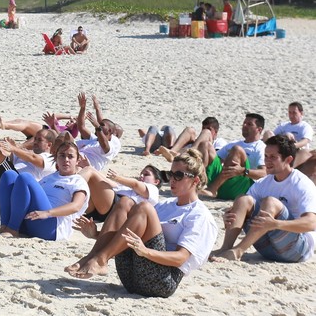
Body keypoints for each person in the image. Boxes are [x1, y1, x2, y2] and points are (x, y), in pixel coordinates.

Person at [65, 149, 218, 298]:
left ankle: (100, 259)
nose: (172, 179)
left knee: (144, 207)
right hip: (130, 276)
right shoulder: (166, 205)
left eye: (178, 175)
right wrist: (96, 235)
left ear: (195, 180)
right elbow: (129, 230)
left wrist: (145, 252)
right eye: (170, 174)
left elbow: (180, 258)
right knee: (125, 202)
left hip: (161, 281)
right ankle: (93, 257)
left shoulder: (199, 214)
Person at [211, 135, 316, 263]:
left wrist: (276, 224)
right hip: (268, 248)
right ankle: (226, 248)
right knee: (243, 199)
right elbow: (243, 208)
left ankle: (238, 251)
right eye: (266, 156)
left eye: (273, 157)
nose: (267, 161)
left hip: (297, 250)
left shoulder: (301, 183)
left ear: (288, 160)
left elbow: (311, 223)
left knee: (270, 202)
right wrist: (229, 216)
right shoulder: (263, 182)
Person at [0, 141, 89, 240]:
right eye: (62, 156)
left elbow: (76, 206)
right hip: (31, 220)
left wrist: (48, 213)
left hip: (51, 226)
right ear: (56, 159)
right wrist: (3, 195)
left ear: (77, 161)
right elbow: (27, 194)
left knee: (25, 177)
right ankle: (4, 226)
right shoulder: (49, 177)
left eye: (70, 156)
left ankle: (12, 229)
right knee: (9, 175)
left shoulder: (78, 181)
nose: (66, 159)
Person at [200, 113, 267, 200]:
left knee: (237, 150)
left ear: (259, 129)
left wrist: (243, 171)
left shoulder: (260, 147)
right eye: (244, 123)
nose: (244, 125)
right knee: (206, 145)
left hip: (241, 188)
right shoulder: (235, 143)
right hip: (223, 184)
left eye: (249, 124)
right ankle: (200, 182)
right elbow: (215, 160)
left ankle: (212, 189)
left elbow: (265, 173)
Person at [81, 165, 165, 227]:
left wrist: (118, 178)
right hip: (103, 207)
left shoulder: (153, 189)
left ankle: (68, 192)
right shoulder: (128, 187)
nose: (141, 176)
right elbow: (108, 183)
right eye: (141, 174)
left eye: (146, 174)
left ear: (156, 181)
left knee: (89, 171)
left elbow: (136, 185)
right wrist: (94, 171)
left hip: (115, 209)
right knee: (88, 169)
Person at [155, 116, 228, 162]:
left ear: (215, 132)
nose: (205, 131)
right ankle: (172, 151)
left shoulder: (219, 142)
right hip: (189, 158)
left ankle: (188, 153)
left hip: (206, 163)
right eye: (203, 128)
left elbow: (217, 159)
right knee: (190, 130)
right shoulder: (196, 142)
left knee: (204, 135)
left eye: (209, 129)